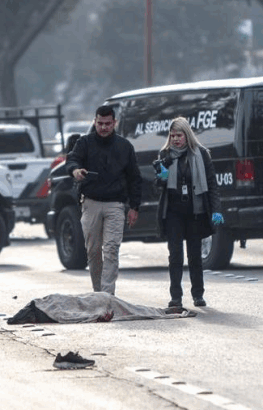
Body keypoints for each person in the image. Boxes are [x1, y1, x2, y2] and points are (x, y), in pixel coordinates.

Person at [64, 105, 142, 295]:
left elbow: (135, 178)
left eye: (108, 124)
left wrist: (134, 207)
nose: (104, 127)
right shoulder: (85, 143)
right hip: (90, 203)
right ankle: (98, 292)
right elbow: (72, 160)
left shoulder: (125, 147)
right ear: (95, 122)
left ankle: (107, 296)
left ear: (114, 123)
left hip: (116, 205)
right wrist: (76, 171)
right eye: (100, 123)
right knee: (93, 251)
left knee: (112, 249)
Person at [153, 117, 222, 309]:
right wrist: (162, 178)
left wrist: (216, 210)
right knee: (175, 255)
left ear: (187, 135)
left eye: (179, 135)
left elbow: (212, 184)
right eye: (172, 135)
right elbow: (157, 186)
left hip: (196, 211)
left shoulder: (201, 154)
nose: (175, 139)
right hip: (174, 212)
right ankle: (176, 297)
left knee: (194, 255)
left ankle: (198, 295)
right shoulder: (165, 154)